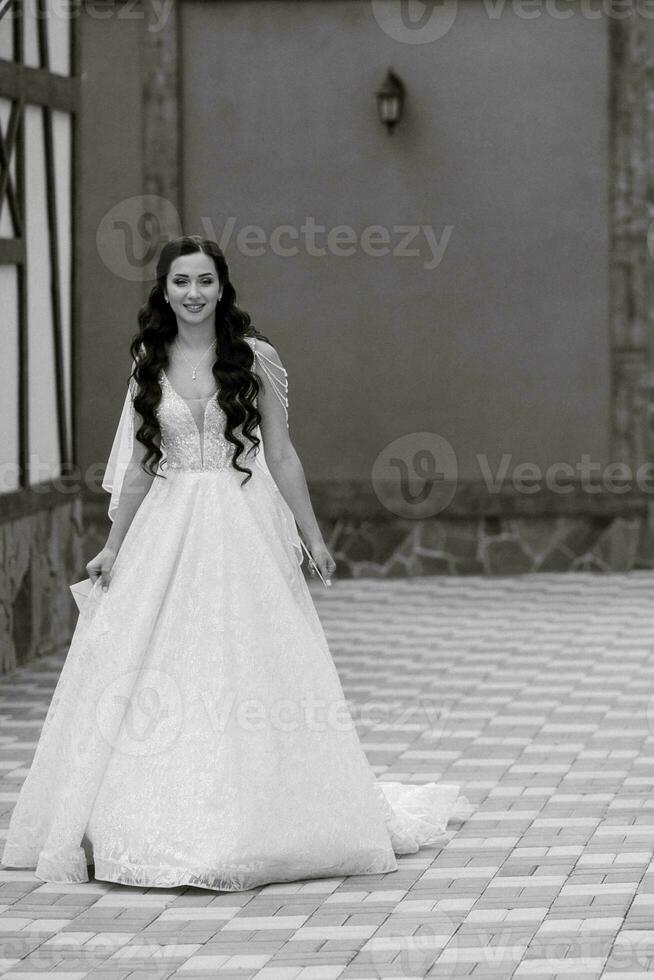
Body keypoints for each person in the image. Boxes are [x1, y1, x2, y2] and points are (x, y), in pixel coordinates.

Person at [1, 236, 471, 891]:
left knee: (248, 664)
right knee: (153, 670)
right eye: (181, 282)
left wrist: (311, 534)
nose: (193, 293)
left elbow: (280, 455)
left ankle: (263, 821)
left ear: (221, 287)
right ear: (164, 292)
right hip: (165, 532)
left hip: (239, 524)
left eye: (205, 281)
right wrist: (114, 544)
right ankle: (145, 823)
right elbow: (138, 467)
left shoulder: (254, 359)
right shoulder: (148, 362)